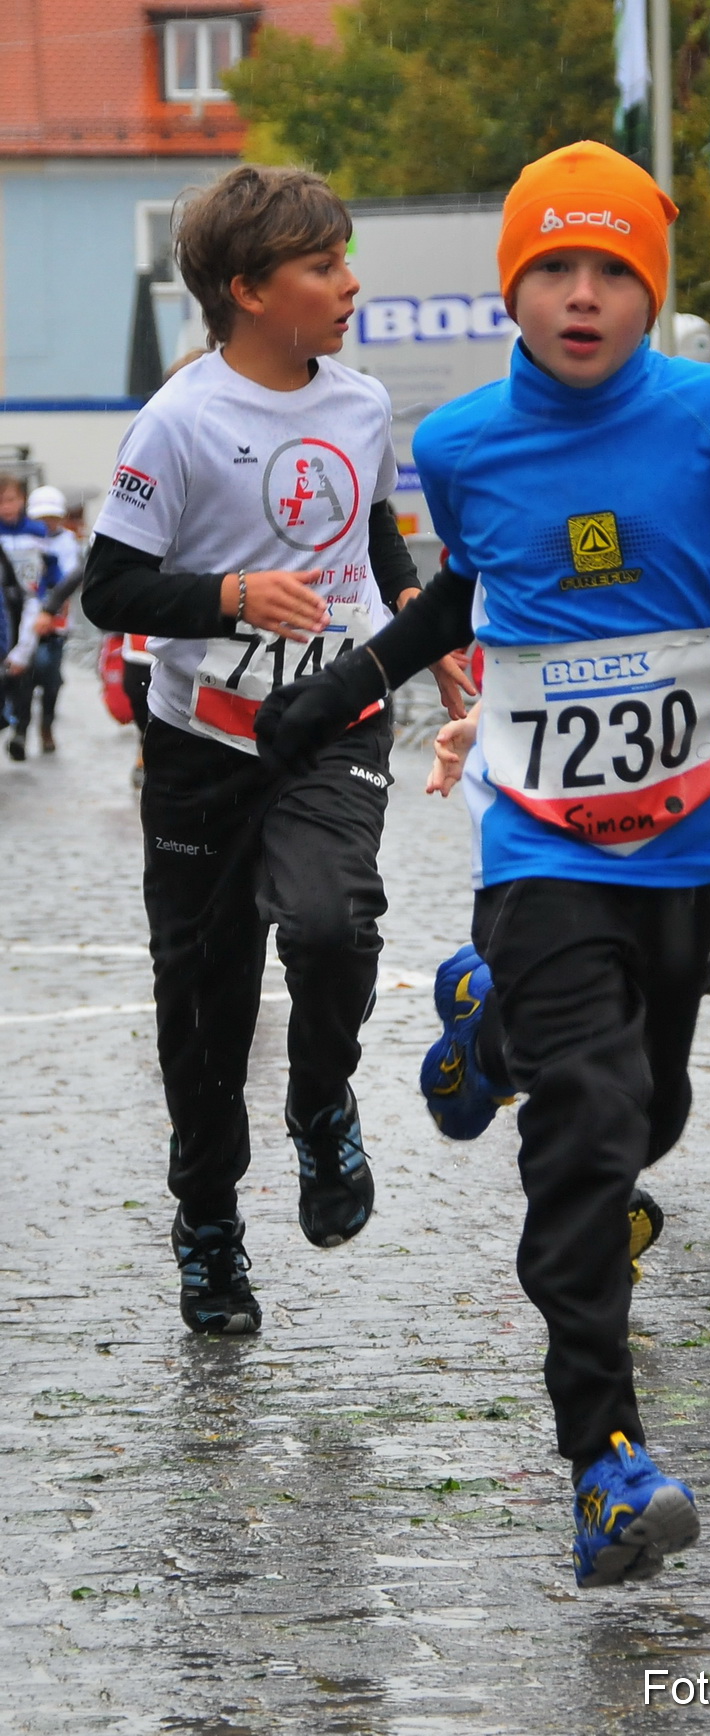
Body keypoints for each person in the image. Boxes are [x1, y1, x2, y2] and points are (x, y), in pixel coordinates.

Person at [254, 141, 710, 1588]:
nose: (583, 297)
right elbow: (471, 586)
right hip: (539, 841)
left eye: (613, 272)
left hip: (690, 844)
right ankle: (605, 1462)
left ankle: (488, 1028)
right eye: (553, 270)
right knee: (586, 1135)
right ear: (512, 288)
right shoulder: (459, 442)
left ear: (651, 289)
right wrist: (352, 683)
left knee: (651, 1119)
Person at [83, 164, 468, 1337]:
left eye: (346, 258)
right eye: (323, 265)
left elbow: (376, 529)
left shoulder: (359, 403)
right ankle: (208, 1222)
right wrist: (233, 593)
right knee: (203, 1006)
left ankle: (321, 1103)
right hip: (203, 741)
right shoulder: (180, 419)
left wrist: (421, 626)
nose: (351, 283)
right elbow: (112, 587)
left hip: (335, 722)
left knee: (331, 920)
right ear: (249, 290)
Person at [11, 485, 82, 755]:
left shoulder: (68, 543)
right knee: (24, 678)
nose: (47, 522)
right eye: (42, 518)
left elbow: (69, 579)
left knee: (50, 679)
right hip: (24, 622)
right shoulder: (24, 537)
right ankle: (20, 730)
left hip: (55, 625)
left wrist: (51, 609)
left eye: (51, 517)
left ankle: (47, 726)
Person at [0, 474, 53, 757]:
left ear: (22, 500)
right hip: (3, 608)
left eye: (11, 500)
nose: (6, 507)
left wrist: (50, 600)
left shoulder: (37, 531)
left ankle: (21, 730)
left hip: (30, 605)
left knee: (28, 671)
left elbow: (51, 568)